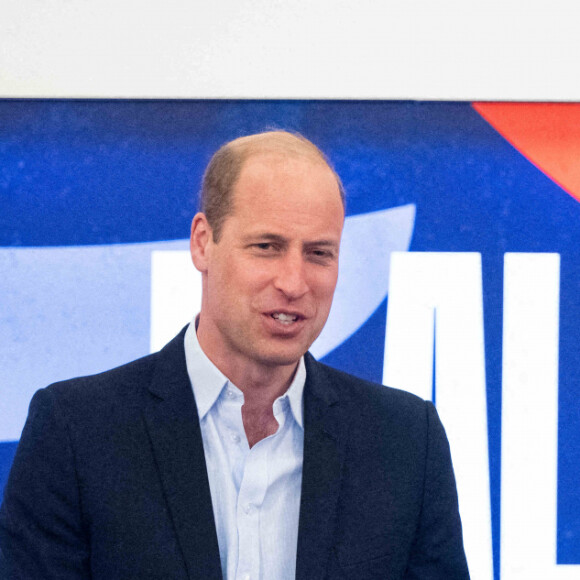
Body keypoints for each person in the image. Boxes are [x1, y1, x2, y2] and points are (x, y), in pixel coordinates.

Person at [0, 130, 470, 579]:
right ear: (203, 242)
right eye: (267, 247)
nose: (294, 282)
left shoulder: (407, 443)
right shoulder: (77, 431)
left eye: (319, 253)